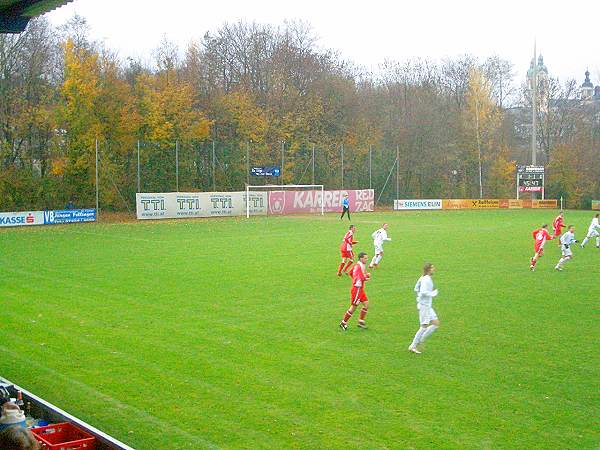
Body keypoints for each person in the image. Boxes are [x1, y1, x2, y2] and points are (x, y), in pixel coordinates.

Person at [408, 263, 439, 354]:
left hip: (427, 306)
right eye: (432, 268)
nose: (434, 269)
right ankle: (413, 345)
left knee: (436, 323)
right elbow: (423, 292)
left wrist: (419, 297)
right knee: (424, 326)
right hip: (424, 306)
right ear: (429, 269)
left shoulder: (423, 278)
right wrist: (433, 293)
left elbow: (416, 288)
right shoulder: (426, 279)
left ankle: (421, 339)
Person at [339, 252, 370, 330]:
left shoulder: (358, 265)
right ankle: (343, 322)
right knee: (353, 307)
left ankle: (361, 321)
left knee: (366, 304)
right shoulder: (359, 267)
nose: (367, 259)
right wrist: (366, 276)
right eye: (365, 258)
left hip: (360, 289)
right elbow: (361, 277)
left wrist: (356, 279)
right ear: (361, 258)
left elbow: (350, 273)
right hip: (357, 289)